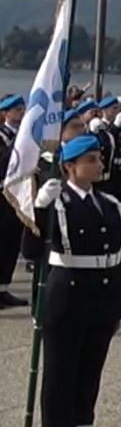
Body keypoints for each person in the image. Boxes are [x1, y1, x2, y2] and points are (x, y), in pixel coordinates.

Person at [35, 135, 121, 427]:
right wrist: (40, 209)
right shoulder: (57, 204)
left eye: (99, 158)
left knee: (89, 370)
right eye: (90, 160)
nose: (99, 164)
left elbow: (118, 257)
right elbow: (33, 250)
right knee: (61, 372)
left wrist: (120, 303)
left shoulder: (110, 203)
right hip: (67, 294)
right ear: (70, 167)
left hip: (100, 296)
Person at [0, 94, 29, 308]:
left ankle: (3, 286)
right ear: (5, 113)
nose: (20, 113)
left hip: (18, 193)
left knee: (11, 242)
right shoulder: (2, 136)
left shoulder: (23, 136)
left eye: (22, 109)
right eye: (16, 110)